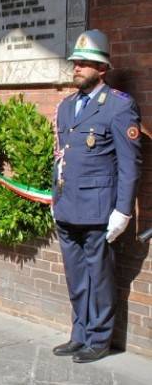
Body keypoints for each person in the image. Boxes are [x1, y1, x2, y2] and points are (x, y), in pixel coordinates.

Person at [52, 29, 142, 363]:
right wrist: (54, 197)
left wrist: (123, 211)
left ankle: (100, 339)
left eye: (84, 63)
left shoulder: (118, 107)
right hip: (67, 206)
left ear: (101, 69)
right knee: (76, 278)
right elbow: (58, 157)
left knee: (100, 278)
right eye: (75, 62)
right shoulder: (66, 107)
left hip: (98, 210)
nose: (76, 67)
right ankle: (79, 333)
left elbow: (129, 164)